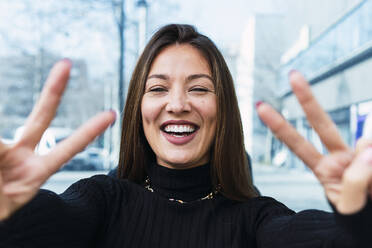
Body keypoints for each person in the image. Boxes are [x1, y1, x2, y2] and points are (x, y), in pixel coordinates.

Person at [0, 24, 371, 247]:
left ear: (223, 108)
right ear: (138, 110)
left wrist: (361, 214)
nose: (177, 104)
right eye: (158, 88)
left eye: (198, 88)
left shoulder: (257, 221)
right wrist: (12, 210)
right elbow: (43, 229)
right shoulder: (102, 200)